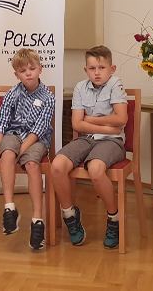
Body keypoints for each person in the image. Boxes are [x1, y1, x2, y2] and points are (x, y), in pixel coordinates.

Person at [51, 45, 128, 249]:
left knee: (95, 169)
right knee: (57, 166)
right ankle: (70, 214)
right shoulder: (80, 87)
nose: (97, 72)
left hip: (112, 141)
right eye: (92, 68)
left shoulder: (115, 84)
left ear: (112, 69)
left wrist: (91, 120)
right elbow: (77, 124)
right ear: (86, 70)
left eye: (101, 68)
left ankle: (114, 218)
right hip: (86, 139)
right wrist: (107, 125)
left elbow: (121, 119)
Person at [0, 48, 55, 250]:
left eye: (32, 68)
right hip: (13, 135)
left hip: (36, 139)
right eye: (22, 71)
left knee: (31, 164)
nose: (28, 73)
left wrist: (22, 150)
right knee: (7, 153)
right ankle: (9, 207)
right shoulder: (13, 93)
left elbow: (39, 129)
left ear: (40, 69)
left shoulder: (48, 97)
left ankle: (37, 219)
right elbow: (0, 122)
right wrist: (0, 148)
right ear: (16, 74)